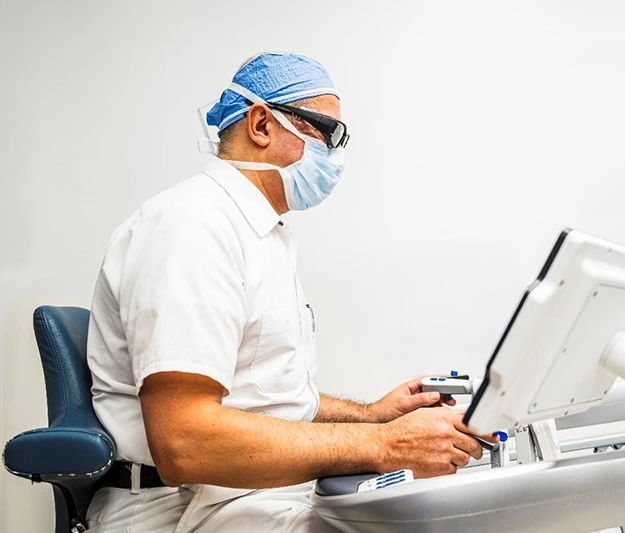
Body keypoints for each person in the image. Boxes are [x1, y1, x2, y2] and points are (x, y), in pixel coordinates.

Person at [85, 52, 494, 533]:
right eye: (327, 133)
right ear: (261, 124)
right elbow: (185, 442)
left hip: (249, 496)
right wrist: (386, 445)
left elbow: (266, 398)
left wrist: (372, 417)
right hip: (182, 512)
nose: (336, 154)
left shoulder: (259, 235)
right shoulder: (191, 228)